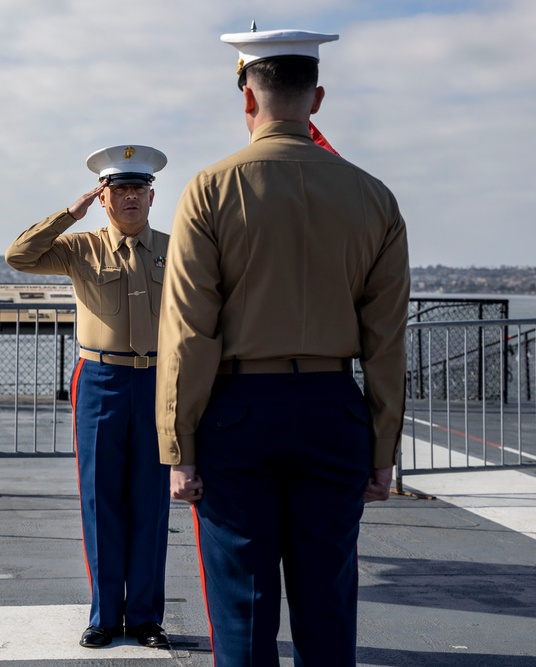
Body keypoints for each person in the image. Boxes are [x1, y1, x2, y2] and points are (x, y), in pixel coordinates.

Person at [156, 27, 410, 666]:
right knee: (328, 600)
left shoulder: (209, 190)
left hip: (238, 410)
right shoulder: (375, 197)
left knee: (241, 603)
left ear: (247, 98)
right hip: (333, 407)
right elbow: (385, 341)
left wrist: (178, 448)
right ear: (316, 98)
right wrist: (383, 451)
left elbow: (190, 333)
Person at [5, 145, 171, 649]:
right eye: (118, 189)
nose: (130, 198)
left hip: (159, 381)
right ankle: (104, 615)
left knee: (150, 501)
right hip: (101, 381)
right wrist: (68, 215)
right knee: (100, 499)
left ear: (152, 195)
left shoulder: (176, 246)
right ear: (103, 198)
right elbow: (19, 255)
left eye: (138, 188)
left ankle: (144, 617)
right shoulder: (81, 248)